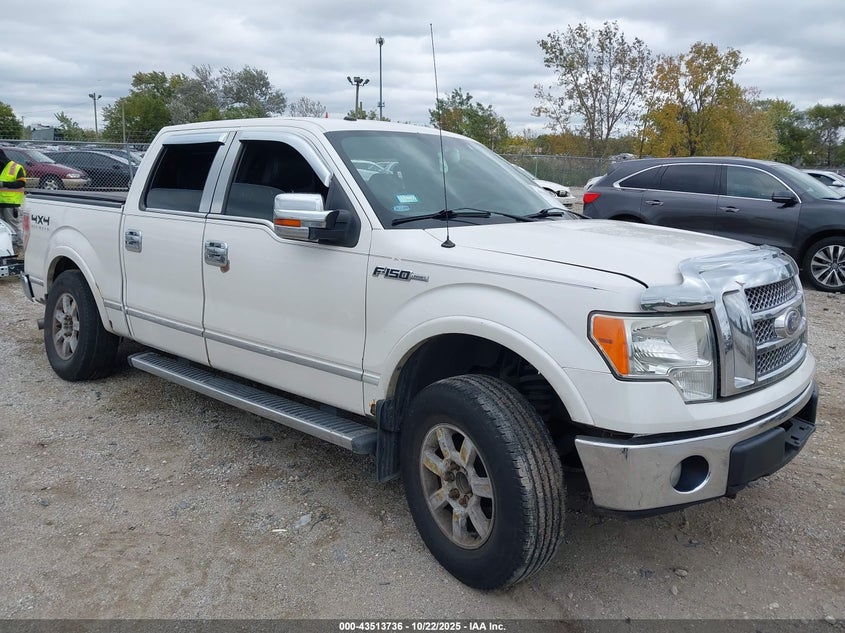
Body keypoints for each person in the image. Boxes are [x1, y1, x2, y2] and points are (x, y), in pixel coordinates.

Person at [0, 149, 26, 247]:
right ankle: (5, 248)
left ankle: (20, 249)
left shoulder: (16, 167)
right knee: (2, 229)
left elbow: (21, 183)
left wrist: (3, 184)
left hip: (11, 203)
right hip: (1, 202)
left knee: (14, 228)